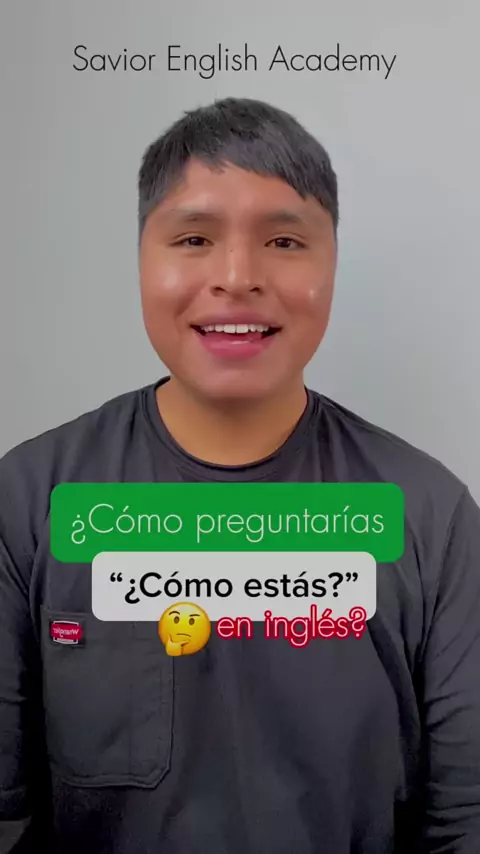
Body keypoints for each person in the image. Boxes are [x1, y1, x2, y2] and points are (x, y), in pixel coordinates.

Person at [1, 96, 480, 854]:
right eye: (194, 237)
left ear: (331, 263)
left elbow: (465, 819)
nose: (237, 276)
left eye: (284, 240)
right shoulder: (29, 500)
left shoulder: (432, 518)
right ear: (141, 259)